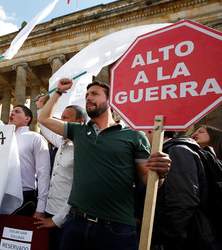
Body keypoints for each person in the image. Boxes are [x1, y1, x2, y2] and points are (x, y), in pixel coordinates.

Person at [38, 78, 171, 249]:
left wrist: (161, 172)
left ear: (111, 100)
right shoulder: (79, 131)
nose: (88, 98)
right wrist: (58, 92)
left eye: (95, 94)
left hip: (116, 228)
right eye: (86, 95)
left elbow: (149, 180)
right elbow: (44, 119)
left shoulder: (134, 135)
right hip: (76, 223)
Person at [0, 75, 50, 219]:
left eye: (17, 112)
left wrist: (41, 208)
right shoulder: (4, 133)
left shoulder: (36, 138)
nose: (12, 113)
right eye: (12, 111)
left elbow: (43, 174)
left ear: (27, 119)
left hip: (24, 195)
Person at [145, 131, 221, 249]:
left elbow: (182, 201)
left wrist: (168, 239)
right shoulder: (173, 149)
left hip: (189, 238)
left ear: (151, 129)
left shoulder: (176, 150)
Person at [34, 94, 87, 249]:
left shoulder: (84, 149)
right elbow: (45, 126)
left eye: (65, 118)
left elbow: (80, 190)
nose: (60, 121)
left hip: (67, 218)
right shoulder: (61, 141)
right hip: (50, 211)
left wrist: (57, 220)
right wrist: (40, 107)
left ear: (80, 122)